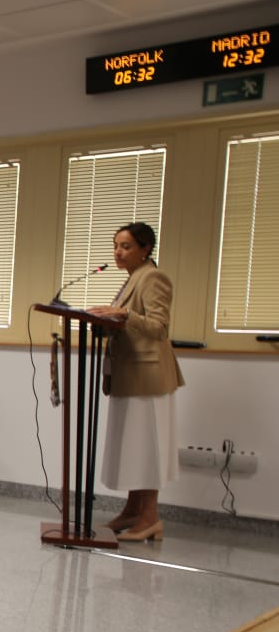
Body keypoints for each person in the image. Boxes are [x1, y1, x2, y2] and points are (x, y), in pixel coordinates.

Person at [87, 222, 183, 542]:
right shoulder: (133, 279)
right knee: (133, 446)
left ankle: (150, 517)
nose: (118, 252)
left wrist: (123, 315)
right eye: (115, 245)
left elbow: (159, 327)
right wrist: (109, 321)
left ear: (145, 248)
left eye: (126, 246)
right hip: (130, 375)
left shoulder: (153, 277)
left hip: (149, 378)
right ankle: (132, 510)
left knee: (148, 447)